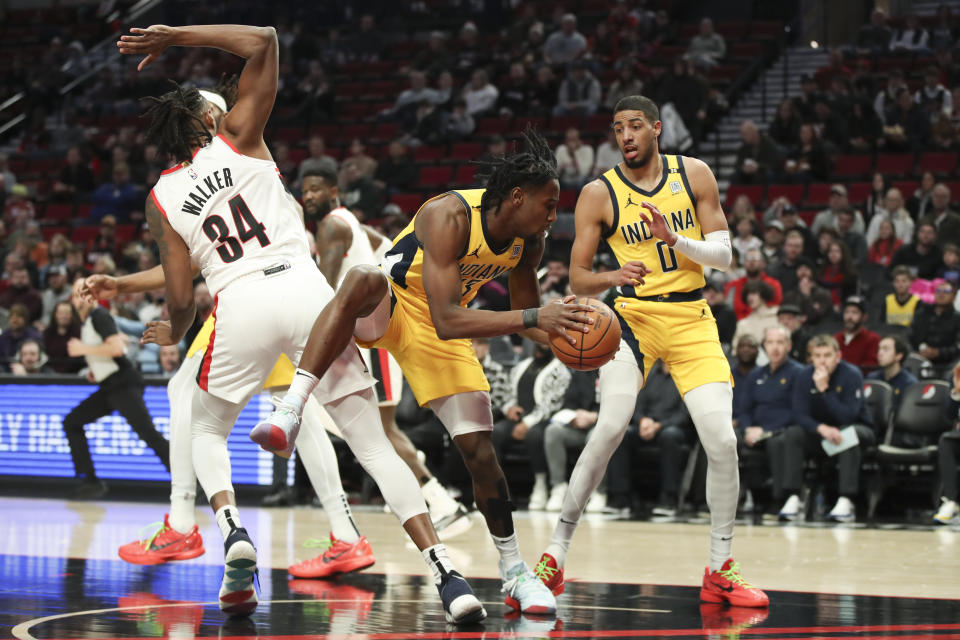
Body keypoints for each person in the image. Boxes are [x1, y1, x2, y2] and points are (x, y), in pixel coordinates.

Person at [117, 23, 485, 623]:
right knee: (370, 444)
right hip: (309, 294)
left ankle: (232, 533)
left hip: (239, 306)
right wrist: (176, 37)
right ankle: (448, 575)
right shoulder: (240, 138)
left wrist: (168, 326)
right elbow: (264, 40)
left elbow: (183, 301)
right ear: (210, 122)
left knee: (206, 430)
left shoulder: (160, 198)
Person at [254, 128, 591, 616]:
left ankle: (516, 573)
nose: (553, 215)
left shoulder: (529, 241)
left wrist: (572, 334)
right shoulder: (448, 214)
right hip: (394, 305)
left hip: (443, 331)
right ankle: (292, 406)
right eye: (549, 203)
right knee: (362, 277)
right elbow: (452, 317)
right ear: (517, 197)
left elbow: (525, 316)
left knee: (480, 453)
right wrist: (536, 318)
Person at [534, 95, 768, 607]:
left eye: (635, 125)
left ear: (657, 128)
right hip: (633, 319)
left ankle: (720, 568)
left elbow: (727, 256)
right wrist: (612, 276)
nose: (626, 135)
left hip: (690, 318)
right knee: (610, 426)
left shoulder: (695, 174)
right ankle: (554, 555)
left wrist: (675, 238)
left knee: (722, 442)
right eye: (618, 128)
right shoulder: (599, 193)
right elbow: (576, 276)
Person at [304, 163, 471, 533]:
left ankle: (441, 500)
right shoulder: (353, 225)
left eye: (316, 189)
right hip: (373, 332)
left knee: (380, 432)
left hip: (370, 338)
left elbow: (324, 291)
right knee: (359, 429)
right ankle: (417, 471)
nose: (308, 196)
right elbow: (388, 248)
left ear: (334, 191)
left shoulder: (333, 225)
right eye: (305, 190)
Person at [63, 279, 170, 499]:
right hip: (109, 384)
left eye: (84, 292)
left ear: (92, 296)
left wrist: (82, 349)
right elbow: (108, 349)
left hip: (123, 383)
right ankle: (90, 482)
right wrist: (97, 370)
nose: (80, 297)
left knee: (148, 434)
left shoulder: (100, 316)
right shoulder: (89, 323)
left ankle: (190, 482)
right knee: (72, 422)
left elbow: (116, 348)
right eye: (76, 294)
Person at [786, 335, 874, 522]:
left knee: (847, 434)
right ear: (811, 358)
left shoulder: (852, 374)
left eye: (827, 355)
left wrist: (825, 390)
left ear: (838, 356)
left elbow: (848, 416)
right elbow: (799, 414)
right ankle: (794, 496)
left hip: (858, 429)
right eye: (817, 356)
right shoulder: (804, 375)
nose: (822, 360)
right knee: (793, 433)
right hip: (822, 433)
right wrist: (820, 428)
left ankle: (846, 499)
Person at [734, 327, 805, 519]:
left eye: (780, 343)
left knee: (776, 442)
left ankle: (778, 499)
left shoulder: (799, 373)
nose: (775, 348)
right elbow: (744, 409)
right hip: (754, 429)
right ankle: (722, 499)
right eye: (770, 343)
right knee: (725, 439)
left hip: (781, 429)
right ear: (764, 346)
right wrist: (748, 428)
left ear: (788, 346)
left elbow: (798, 411)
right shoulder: (755, 374)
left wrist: (767, 430)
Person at [494, 342, 570, 510]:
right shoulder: (520, 367)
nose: (544, 344)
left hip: (542, 419)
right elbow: (507, 394)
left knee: (534, 435)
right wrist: (509, 408)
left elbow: (551, 404)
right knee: (496, 433)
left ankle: (540, 484)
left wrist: (527, 423)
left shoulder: (560, 370)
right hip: (517, 416)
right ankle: (500, 490)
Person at [909, 280, 960, 377]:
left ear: (953, 297)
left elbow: (958, 345)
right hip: (918, 357)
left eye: (946, 292)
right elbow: (910, 335)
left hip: (947, 364)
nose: (941, 294)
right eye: (938, 291)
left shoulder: (957, 319)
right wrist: (917, 352)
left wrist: (938, 352)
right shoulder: (921, 313)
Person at [934, 363, 960, 524]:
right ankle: (951, 501)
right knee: (946, 441)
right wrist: (957, 392)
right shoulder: (958, 373)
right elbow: (949, 415)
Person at [866, 335, 917, 412]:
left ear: (899, 356)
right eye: (879, 349)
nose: (880, 353)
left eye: (885, 349)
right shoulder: (872, 378)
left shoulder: (909, 383)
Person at [835, 296, 881, 373]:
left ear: (864, 317)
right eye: (846, 312)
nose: (849, 316)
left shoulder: (873, 339)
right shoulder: (836, 339)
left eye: (854, 312)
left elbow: (871, 367)